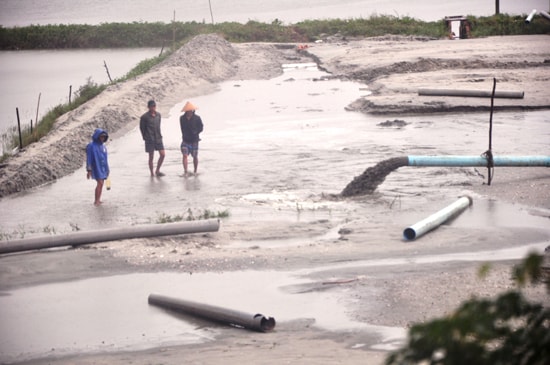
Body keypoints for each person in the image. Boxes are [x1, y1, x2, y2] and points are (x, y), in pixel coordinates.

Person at [139, 99, 165, 177]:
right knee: (151, 157)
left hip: (158, 137)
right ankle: (152, 173)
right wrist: (145, 137)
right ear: (148, 107)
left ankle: (157, 170)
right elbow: (142, 129)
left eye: (154, 106)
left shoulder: (158, 115)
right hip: (149, 139)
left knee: (163, 154)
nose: (153, 108)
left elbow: (159, 125)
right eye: (151, 106)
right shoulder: (144, 117)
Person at [86, 128, 110, 206]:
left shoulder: (103, 146)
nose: (102, 138)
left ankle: (98, 199)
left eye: (104, 137)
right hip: (95, 166)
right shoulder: (91, 146)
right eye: (101, 136)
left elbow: (105, 158)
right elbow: (89, 158)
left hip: (103, 167)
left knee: (102, 183)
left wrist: (107, 169)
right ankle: (96, 201)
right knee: (100, 182)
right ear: (97, 136)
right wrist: (89, 170)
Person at [179, 101, 203, 176]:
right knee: (185, 155)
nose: (189, 112)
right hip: (185, 140)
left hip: (194, 140)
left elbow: (201, 128)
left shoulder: (197, 118)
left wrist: (196, 133)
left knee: (195, 156)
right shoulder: (182, 118)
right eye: (187, 111)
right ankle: (185, 171)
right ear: (186, 111)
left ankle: (195, 171)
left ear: (192, 110)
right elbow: (182, 128)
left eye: (190, 110)